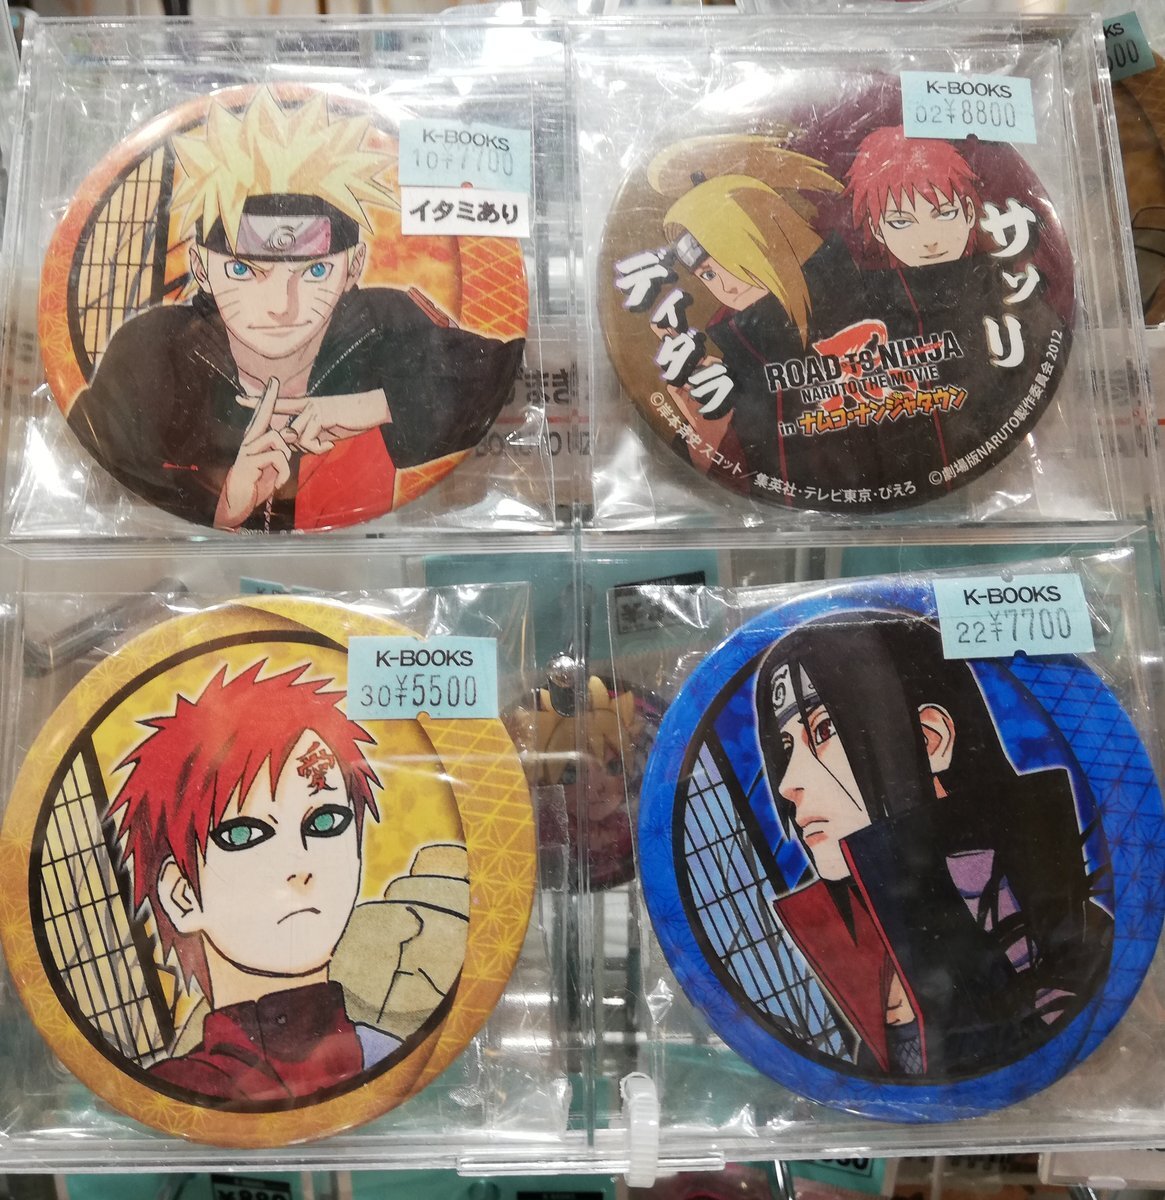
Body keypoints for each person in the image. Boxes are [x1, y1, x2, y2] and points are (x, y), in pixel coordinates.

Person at [66, 88, 524, 532]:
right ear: (201, 267)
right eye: (243, 271)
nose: (281, 306)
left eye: (315, 272)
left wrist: (374, 404)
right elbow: (92, 467)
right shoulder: (154, 351)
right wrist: (222, 506)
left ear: (353, 267)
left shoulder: (382, 324)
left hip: (364, 558)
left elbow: (498, 374)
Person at [752, 613, 1112, 1080]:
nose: (787, 784)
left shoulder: (1049, 924)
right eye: (786, 749)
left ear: (930, 740)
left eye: (823, 732)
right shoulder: (867, 932)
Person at [109, 660, 465, 1104]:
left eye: (326, 822)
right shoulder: (181, 1090)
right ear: (181, 896)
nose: (301, 865)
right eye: (244, 834)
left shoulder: (394, 1059)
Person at [644, 135, 867, 487]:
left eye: (737, 259)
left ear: (776, 237)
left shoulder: (868, 301)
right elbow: (743, 481)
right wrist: (707, 434)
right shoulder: (738, 353)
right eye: (708, 275)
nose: (728, 285)